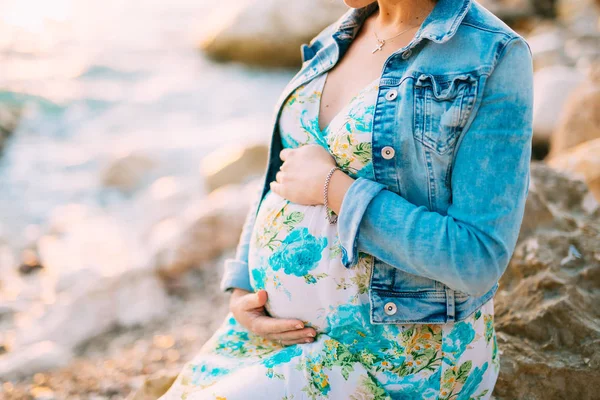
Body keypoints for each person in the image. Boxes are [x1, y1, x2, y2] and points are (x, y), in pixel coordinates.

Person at [159, 0, 533, 398]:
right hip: (277, 338)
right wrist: (243, 287)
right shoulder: (341, 33)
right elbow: (285, 168)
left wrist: (335, 188)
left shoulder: (492, 55)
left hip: (396, 360)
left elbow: (478, 258)